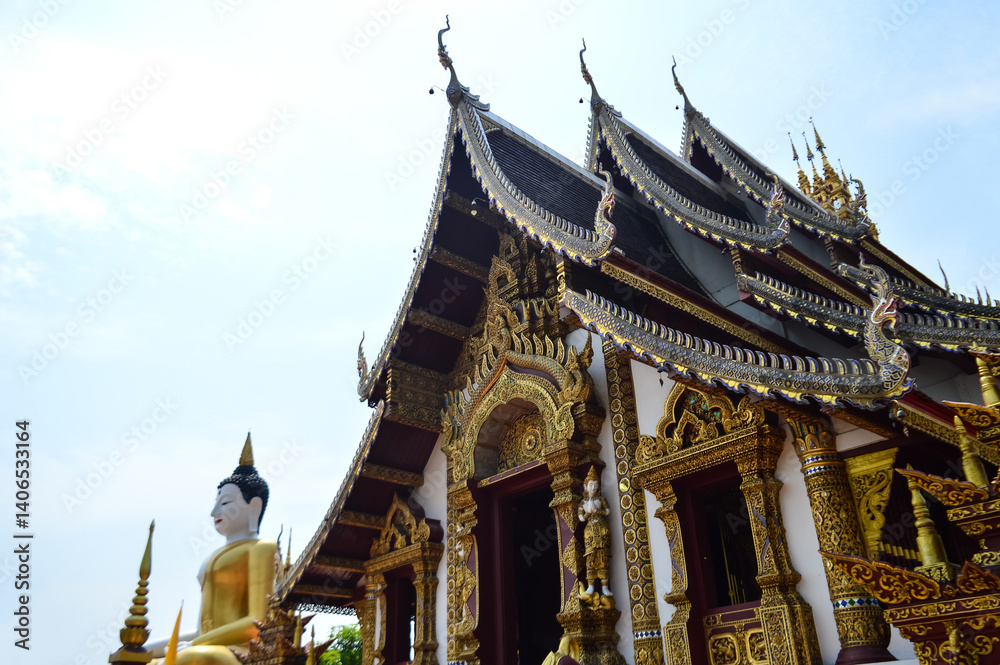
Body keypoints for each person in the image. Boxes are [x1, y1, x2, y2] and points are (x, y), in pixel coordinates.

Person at [149, 435, 277, 664]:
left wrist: (197, 644)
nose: (214, 511)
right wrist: (147, 649)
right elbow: (202, 630)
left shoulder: (262, 549)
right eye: (216, 502)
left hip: (242, 651)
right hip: (207, 647)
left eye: (225, 503)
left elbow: (259, 622)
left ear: (254, 507)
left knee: (191, 657)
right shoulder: (211, 558)